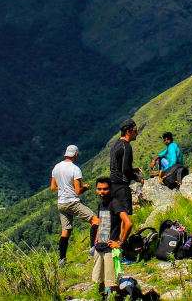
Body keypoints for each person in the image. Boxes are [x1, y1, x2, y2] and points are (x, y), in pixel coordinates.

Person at [51, 144, 99, 265]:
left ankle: (62, 259)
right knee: (95, 220)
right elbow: (78, 191)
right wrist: (86, 187)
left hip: (61, 203)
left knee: (65, 230)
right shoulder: (75, 169)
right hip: (72, 202)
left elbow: (53, 187)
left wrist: (64, 188)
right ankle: (93, 248)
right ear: (76, 154)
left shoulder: (56, 167)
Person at [107, 119, 142, 262]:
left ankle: (113, 254)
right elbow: (125, 170)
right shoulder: (126, 146)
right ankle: (122, 252)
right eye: (135, 130)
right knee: (125, 222)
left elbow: (118, 167)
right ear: (128, 131)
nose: (137, 132)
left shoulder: (116, 144)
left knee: (115, 222)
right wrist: (137, 177)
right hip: (122, 187)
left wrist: (132, 169)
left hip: (112, 186)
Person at [92, 177, 128, 300]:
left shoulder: (114, 203)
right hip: (99, 248)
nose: (102, 192)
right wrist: (96, 239)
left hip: (109, 250)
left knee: (111, 283)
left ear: (110, 189)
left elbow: (128, 223)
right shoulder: (101, 204)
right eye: (99, 189)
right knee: (98, 280)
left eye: (105, 189)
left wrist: (120, 242)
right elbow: (101, 222)